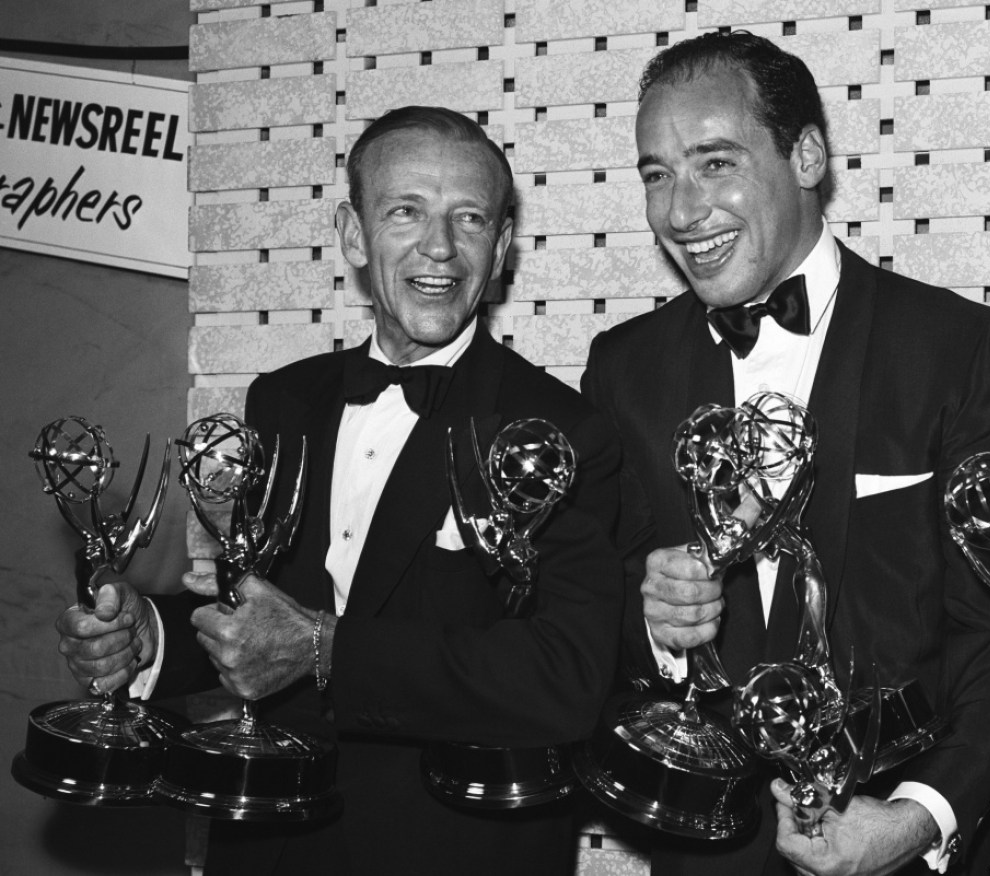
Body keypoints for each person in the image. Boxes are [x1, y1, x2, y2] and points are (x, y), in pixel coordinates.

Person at [54, 105, 624, 874]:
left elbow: (567, 676)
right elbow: (255, 612)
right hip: (269, 839)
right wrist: (151, 640)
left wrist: (326, 649)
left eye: (470, 218)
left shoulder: (559, 431)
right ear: (353, 234)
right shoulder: (283, 400)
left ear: (502, 247)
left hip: (448, 851)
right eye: (405, 211)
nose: (439, 247)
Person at [581, 31, 990, 876]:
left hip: (896, 840)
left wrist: (917, 817)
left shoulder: (958, 348)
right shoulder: (623, 367)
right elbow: (579, 616)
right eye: (656, 174)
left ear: (805, 156)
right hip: (702, 846)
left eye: (714, 163)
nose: (680, 212)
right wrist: (655, 628)